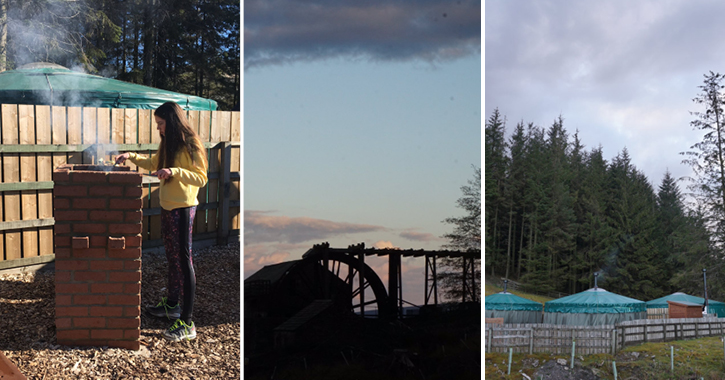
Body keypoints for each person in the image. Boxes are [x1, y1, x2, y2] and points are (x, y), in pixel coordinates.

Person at [115, 101, 208, 342]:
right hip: (168, 207)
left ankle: (187, 323)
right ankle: (172, 305)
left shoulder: (191, 143)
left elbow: (201, 178)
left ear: (172, 121)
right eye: (157, 125)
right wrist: (131, 156)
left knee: (184, 261)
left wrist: (174, 172)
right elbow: (155, 165)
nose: (159, 129)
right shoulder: (168, 143)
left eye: (161, 124)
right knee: (173, 258)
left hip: (184, 208)